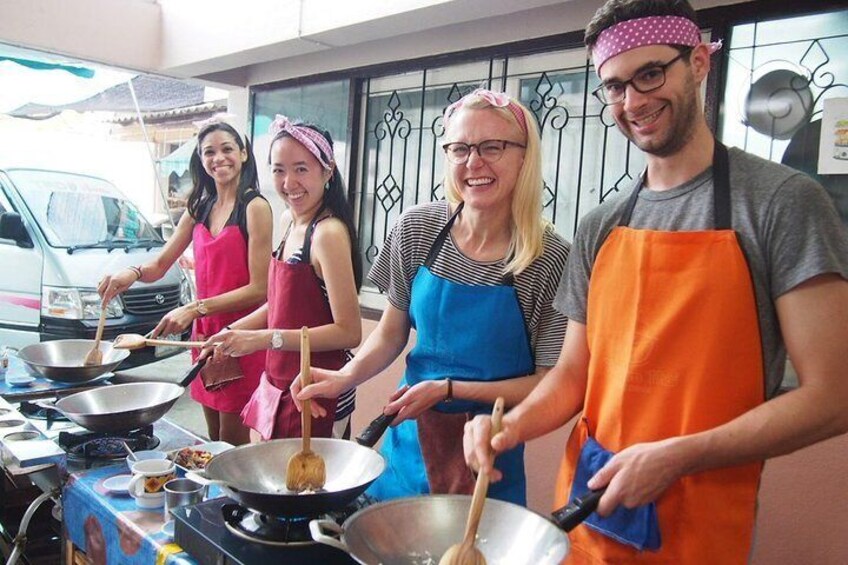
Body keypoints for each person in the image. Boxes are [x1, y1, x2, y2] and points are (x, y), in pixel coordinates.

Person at [463, 1, 848, 563]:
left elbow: (832, 398)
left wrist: (677, 456)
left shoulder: (780, 203)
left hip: (700, 517)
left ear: (697, 62)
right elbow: (574, 373)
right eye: (614, 87)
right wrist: (510, 426)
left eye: (650, 74)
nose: (633, 102)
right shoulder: (602, 224)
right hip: (590, 510)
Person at [293, 89, 570, 506]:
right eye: (460, 148)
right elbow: (390, 334)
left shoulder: (550, 258)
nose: (474, 162)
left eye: (492, 147)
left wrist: (448, 389)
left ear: (525, 156)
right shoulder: (417, 228)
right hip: (408, 443)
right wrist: (345, 378)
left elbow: (548, 383)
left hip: (488, 455)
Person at [100, 116, 272, 446]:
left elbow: (260, 288)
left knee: (229, 442)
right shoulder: (199, 206)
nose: (218, 158)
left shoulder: (255, 207)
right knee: (211, 438)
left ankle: (229, 498)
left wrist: (194, 308)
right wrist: (130, 275)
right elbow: (161, 264)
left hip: (239, 336)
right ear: (201, 159)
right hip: (203, 336)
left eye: (227, 149)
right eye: (209, 152)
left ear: (244, 154)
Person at [202, 116, 363, 441]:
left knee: (308, 488)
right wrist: (232, 332)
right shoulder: (291, 221)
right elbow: (279, 306)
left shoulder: (327, 233)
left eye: (301, 168)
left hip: (317, 391)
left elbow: (349, 332)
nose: (289, 182)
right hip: (279, 381)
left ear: (327, 170)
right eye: (278, 170)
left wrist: (263, 339)